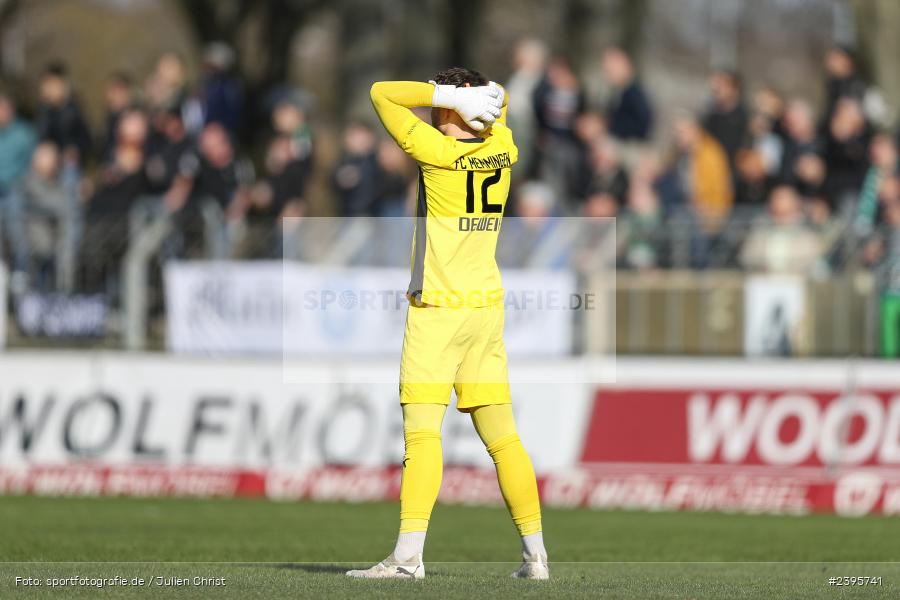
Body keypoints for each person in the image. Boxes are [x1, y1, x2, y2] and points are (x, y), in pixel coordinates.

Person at [350, 68, 547, 580]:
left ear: (451, 108)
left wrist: (446, 96)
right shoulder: (504, 148)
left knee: (422, 436)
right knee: (504, 440)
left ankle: (408, 559)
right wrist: (482, 98)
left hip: (438, 309)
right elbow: (500, 109)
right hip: (485, 309)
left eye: (439, 101)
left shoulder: (437, 156)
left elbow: (381, 92)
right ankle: (536, 558)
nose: (432, 109)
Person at [601, 45, 653, 141]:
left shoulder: (635, 93)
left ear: (623, 63)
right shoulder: (619, 91)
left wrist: (606, 125)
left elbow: (643, 127)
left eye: (610, 71)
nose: (607, 76)